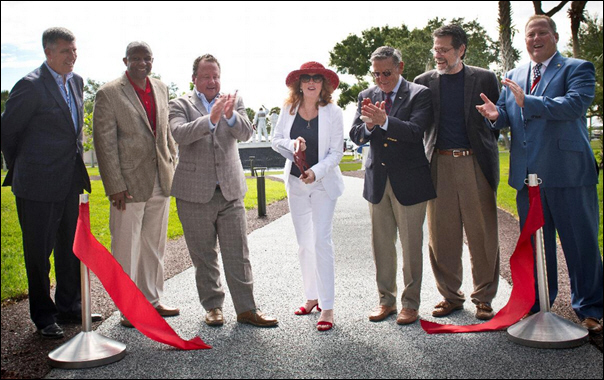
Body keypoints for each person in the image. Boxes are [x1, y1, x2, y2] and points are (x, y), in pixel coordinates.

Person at [477, 15, 603, 333]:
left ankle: (590, 308)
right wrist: (497, 115)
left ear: (555, 36)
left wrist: (527, 100)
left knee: (580, 244)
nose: (535, 38)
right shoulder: (515, 74)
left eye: (541, 32)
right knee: (536, 247)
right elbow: (512, 115)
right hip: (527, 177)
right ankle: (537, 305)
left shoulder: (578, 68)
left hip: (568, 174)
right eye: (530, 34)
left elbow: (573, 105)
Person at [169, 54, 278, 328]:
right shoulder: (179, 104)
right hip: (194, 194)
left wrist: (228, 115)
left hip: (230, 191)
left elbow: (246, 134)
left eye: (215, 75)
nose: (212, 81)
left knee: (238, 253)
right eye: (205, 76)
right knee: (203, 255)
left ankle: (247, 309)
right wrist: (210, 118)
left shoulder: (234, 101)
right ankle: (213, 307)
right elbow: (179, 134)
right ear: (194, 79)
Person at [1, 27, 96, 339]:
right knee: (38, 254)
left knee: (71, 247)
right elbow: (7, 133)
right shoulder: (29, 86)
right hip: (36, 185)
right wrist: (27, 167)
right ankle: (44, 316)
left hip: (69, 181)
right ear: (48, 53)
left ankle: (69, 307)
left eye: (74, 49)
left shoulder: (78, 82)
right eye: (66, 51)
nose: (73, 56)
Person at [414, 24, 501, 321]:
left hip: (475, 163)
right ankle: (450, 296)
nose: (437, 55)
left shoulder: (486, 78)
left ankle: (484, 298)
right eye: (435, 49)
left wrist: (492, 123)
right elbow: (418, 125)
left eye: (443, 49)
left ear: (461, 49)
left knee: (483, 235)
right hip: (438, 164)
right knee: (442, 236)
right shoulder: (423, 82)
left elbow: (496, 123)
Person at [93, 42, 179, 328]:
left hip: (160, 180)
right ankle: (128, 308)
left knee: (154, 245)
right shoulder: (108, 93)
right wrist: (114, 184)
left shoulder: (162, 88)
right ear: (125, 60)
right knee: (125, 246)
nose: (142, 63)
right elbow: (104, 143)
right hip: (127, 185)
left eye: (147, 58)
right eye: (136, 58)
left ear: (152, 61)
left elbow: (165, 132)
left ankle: (152, 301)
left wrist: (172, 161)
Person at [349, 46, 435, 325]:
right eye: (375, 74)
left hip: (409, 181)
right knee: (382, 246)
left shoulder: (419, 94)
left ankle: (410, 304)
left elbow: (415, 132)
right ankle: (386, 301)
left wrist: (385, 121)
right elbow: (355, 135)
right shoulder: (366, 96)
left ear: (400, 67)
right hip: (377, 181)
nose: (381, 79)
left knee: (411, 247)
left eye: (386, 73)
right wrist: (371, 127)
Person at [272, 62, 345, 331]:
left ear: (323, 84)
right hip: (295, 183)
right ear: (299, 84)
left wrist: (315, 172)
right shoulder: (289, 109)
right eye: (306, 78)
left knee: (321, 242)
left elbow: (336, 153)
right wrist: (293, 145)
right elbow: (275, 139)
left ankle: (327, 307)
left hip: (323, 184)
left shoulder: (333, 112)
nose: (312, 82)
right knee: (304, 244)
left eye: (317, 78)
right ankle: (311, 297)